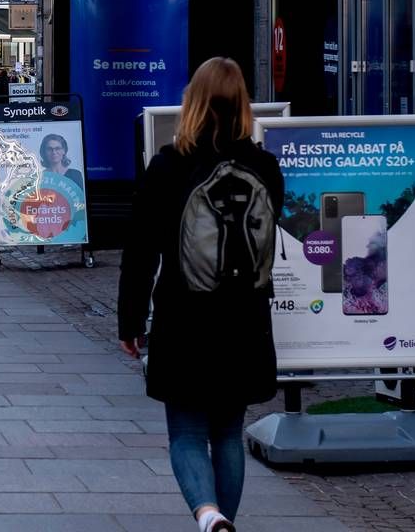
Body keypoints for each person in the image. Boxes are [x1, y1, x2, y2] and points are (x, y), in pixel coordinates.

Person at [117, 58, 282, 532]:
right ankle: (221, 518)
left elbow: (141, 250)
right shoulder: (266, 168)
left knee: (187, 431)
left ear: (193, 102)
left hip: (184, 319)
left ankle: (207, 514)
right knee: (228, 433)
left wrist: (130, 322)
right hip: (246, 321)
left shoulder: (168, 166)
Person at [37, 133, 84, 197]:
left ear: (64, 151)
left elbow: (80, 199)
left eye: (57, 148)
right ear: (44, 152)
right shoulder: (39, 177)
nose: (54, 152)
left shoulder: (75, 175)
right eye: (49, 149)